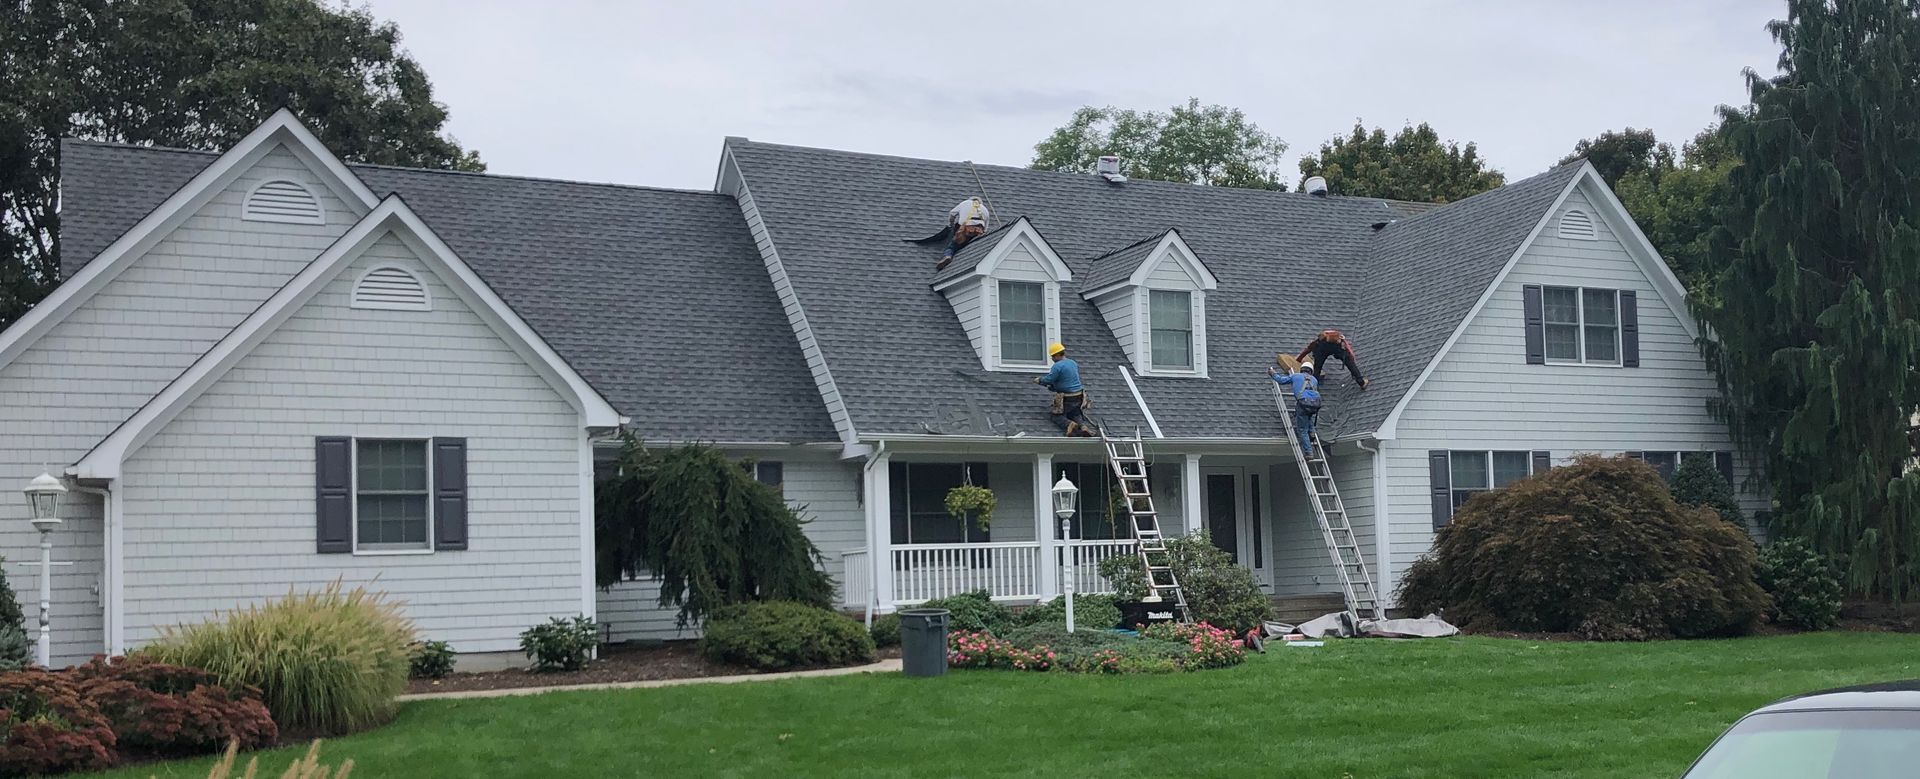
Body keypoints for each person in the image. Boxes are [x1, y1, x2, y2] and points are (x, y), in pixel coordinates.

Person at [1035, 342, 1094, 437]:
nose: (1053, 359)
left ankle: (1069, 425)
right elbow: (1065, 379)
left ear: (1058, 355)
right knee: (1074, 413)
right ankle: (1083, 426)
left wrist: (1040, 380)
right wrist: (1054, 387)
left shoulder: (1057, 366)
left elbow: (1050, 379)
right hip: (1079, 396)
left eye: (1053, 356)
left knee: (1056, 416)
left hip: (1068, 397)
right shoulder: (1072, 363)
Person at [1270, 355, 1323, 455]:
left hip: (1303, 403)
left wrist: (1273, 373)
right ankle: (1312, 432)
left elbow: (1281, 380)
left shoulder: (1296, 376)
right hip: (1315, 404)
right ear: (1311, 371)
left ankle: (1309, 452)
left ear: (1301, 369)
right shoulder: (1314, 380)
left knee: (1302, 430)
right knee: (1309, 415)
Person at [1297, 329, 1368, 389]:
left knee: (1317, 368)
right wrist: (1351, 356)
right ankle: (1361, 382)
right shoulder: (1337, 343)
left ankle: (1313, 386)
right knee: (1349, 363)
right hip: (1336, 349)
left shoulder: (1319, 342)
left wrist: (1299, 359)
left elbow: (1308, 349)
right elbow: (1349, 353)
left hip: (1321, 350)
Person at [937, 196, 991, 270]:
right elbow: (985, 229)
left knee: (952, 246)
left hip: (966, 229)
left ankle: (948, 256)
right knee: (975, 245)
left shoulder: (965, 203)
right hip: (979, 231)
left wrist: (951, 224)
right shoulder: (985, 209)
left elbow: (952, 213)